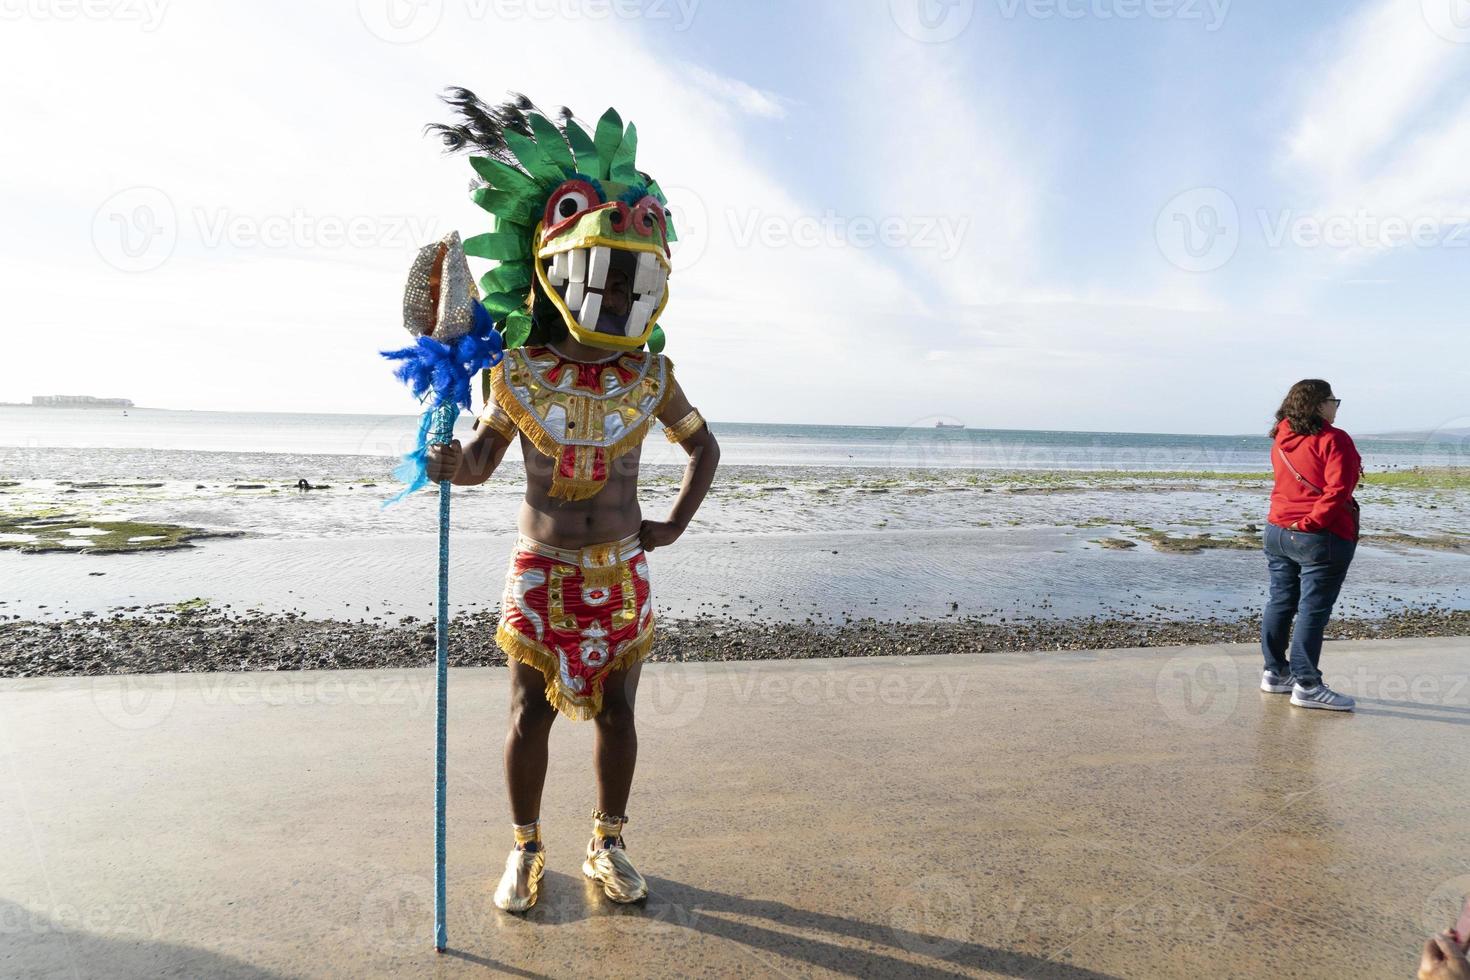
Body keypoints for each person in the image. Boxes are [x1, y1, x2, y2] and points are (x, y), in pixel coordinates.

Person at [415, 90, 720, 912]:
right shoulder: (515, 370)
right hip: (541, 568)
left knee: (619, 716)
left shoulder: (650, 377)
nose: (617, 285)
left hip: (621, 569)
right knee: (527, 716)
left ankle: (608, 844)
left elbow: (704, 448)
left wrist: (671, 527)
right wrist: (444, 464)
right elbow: (482, 460)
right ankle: (525, 850)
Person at [1260, 379, 1362, 711]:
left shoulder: (1282, 436)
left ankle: (1275, 673)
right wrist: (1311, 523)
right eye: (1334, 400)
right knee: (1312, 610)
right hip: (1318, 536)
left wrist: (1297, 522)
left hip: (1277, 530)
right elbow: (1337, 491)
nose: (1336, 406)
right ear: (1319, 404)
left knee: (1281, 601)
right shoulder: (1334, 438)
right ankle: (1307, 685)